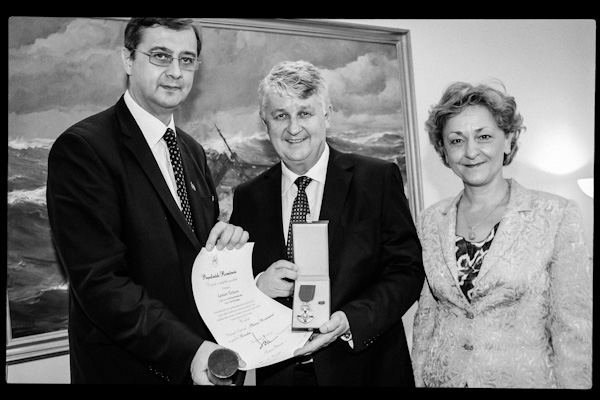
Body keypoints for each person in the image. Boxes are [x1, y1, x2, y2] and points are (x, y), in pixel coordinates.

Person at [46, 17, 249, 385]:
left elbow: (189, 259)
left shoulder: (192, 151)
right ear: (128, 60)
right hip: (128, 371)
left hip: (200, 366)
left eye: (187, 59)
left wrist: (224, 249)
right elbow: (101, 284)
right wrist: (189, 351)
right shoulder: (82, 150)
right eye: (160, 56)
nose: (176, 72)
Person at [229, 60, 424, 386]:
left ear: (327, 115)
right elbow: (236, 289)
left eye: (305, 113)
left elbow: (408, 271)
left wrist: (351, 320)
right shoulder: (247, 197)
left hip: (366, 372)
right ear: (265, 123)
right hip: (281, 376)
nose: (293, 128)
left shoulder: (376, 179)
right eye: (280, 115)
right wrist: (260, 283)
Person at [411, 81, 592, 388]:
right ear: (444, 150)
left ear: (507, 140)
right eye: (456, 140)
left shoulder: (556, 215)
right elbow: (426, 319)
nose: (471, 151)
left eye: (484, 136)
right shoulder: (429, 220)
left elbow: (573, 328)